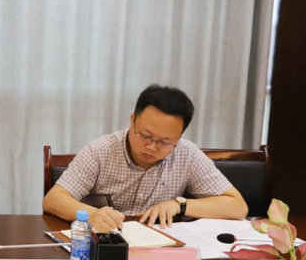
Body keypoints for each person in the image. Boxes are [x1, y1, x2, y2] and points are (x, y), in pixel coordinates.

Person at [43, 84, 247, 232]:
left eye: (164, 142)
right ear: (133, 120)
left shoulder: (188, 154)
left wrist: (179, 205)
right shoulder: (100, 151)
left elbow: (238, 207)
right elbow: (53, 200)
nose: (151, 147)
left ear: (178, 138)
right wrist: (94, 215)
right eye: (145, 136)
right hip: (105, 243)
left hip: (160, 249)